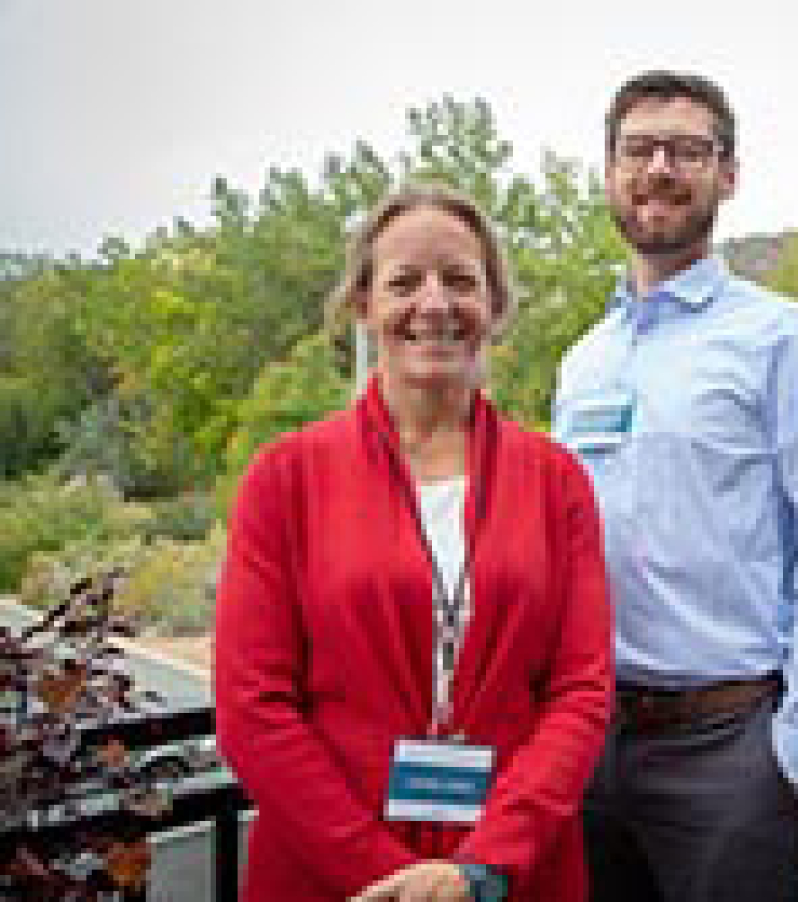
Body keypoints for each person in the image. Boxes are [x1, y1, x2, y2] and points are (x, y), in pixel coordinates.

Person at [214, 184, 614, 902]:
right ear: (364, 304)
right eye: (404, 281)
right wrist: (383, 875)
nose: (435, 304)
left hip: (510, 873)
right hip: (330, 873)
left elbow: (580, 691)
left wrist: (483, 865)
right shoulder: (286, 478)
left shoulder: (557, 482)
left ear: (493, 305)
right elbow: (253, 705)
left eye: (460, 280)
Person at [552, 70, 798, 902]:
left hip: (732, 751)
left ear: (728, 175)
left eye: (687, 150)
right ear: (608, 170)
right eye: (639, 149)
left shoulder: (782, 339)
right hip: (593, 743)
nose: (659, 167)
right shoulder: (583, 359)